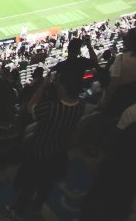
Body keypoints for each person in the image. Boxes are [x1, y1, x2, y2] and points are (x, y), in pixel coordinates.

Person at [11, 72, 84, 216]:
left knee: (30, 184)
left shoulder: (51, 107)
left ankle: (18, 211)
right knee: (47, 182)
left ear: (63, 87)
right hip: (59, 150)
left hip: (40, 150)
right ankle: (37, 204)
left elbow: (30, 106)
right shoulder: (81, 105)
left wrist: (43, 86)